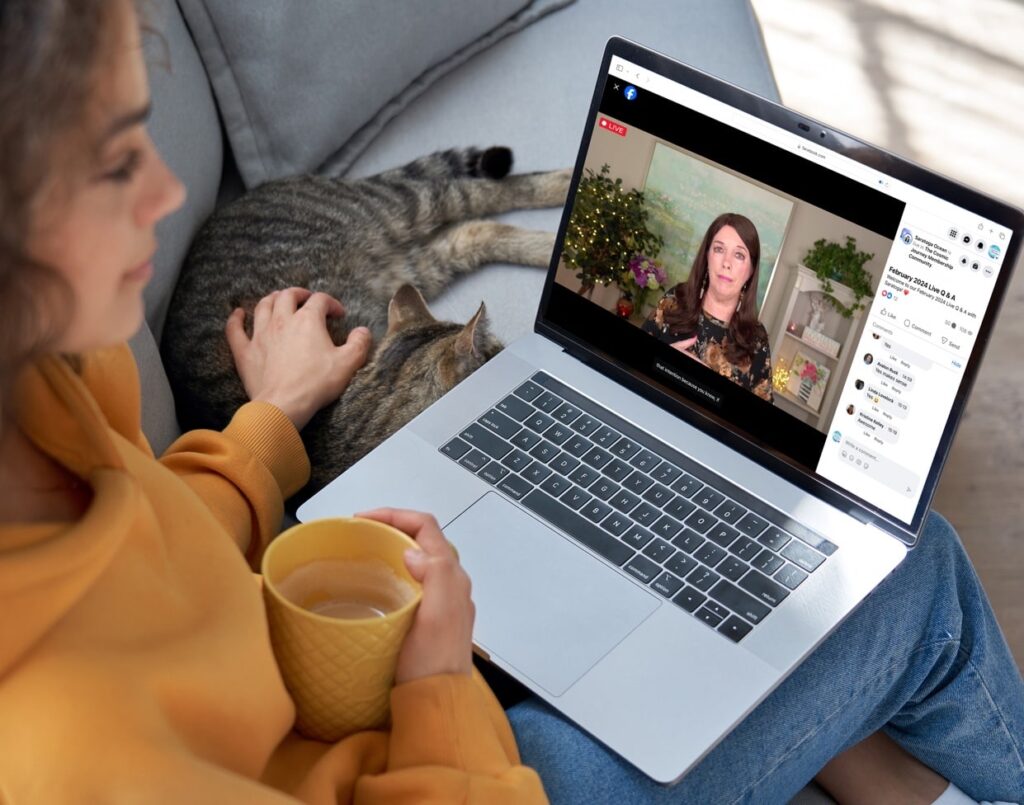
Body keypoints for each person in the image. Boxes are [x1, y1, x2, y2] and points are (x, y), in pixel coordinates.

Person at [0, 2, 1021, 803]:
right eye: (118, 160)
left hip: (344, 692)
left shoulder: (50, 376)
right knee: (909, 570)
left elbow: (147, 556)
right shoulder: (69, 752)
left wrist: (264, 423)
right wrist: (439, 683)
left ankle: (869, 764)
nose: (167, 198)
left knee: (742, 608)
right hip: (439, 757)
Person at [643, 212, 775, 402]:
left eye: (739, 255)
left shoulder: (756, 339)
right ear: (707, 256)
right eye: (719, 249)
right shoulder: (676, 299)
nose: (726, 263)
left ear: (751, 270)